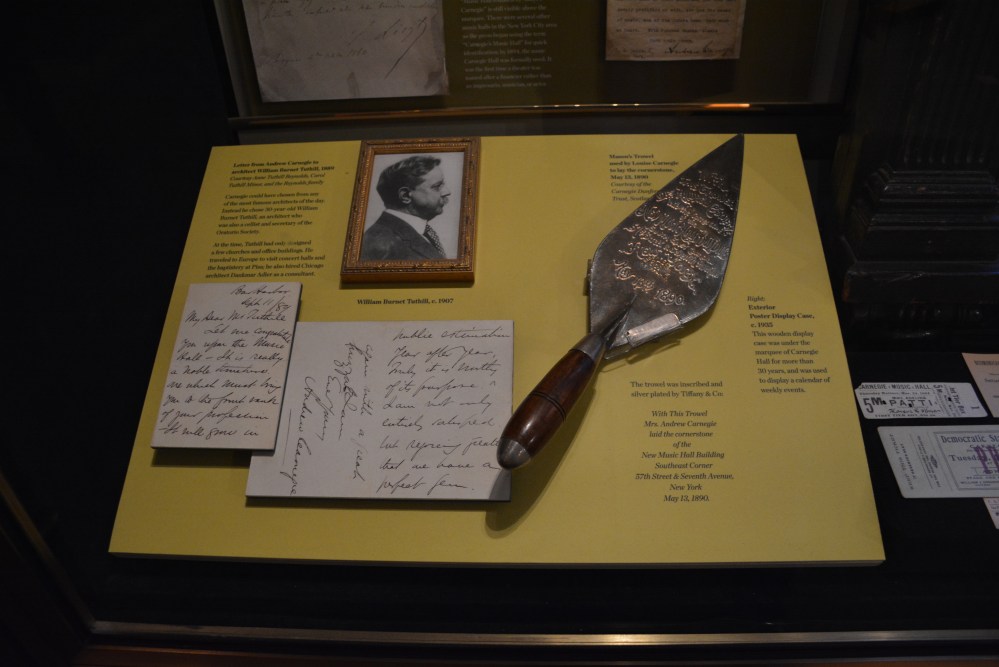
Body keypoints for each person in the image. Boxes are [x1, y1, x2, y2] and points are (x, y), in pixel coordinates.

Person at [361, 155, 454, 260]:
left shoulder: (398, 233)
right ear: (405, 196)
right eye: (437, 186)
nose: (447, 192)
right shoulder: (380, 243)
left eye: (443, 184)